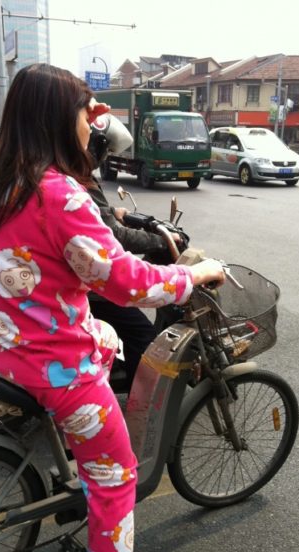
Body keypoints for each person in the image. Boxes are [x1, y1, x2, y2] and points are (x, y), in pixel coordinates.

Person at [0, 63, 225, 552]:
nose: (91, 125)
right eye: (87, 113)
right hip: (58, 372)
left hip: (4, 350)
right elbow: (125, 282)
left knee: (108, 343)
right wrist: (194, 274)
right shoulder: (57, 192)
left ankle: (74, 476)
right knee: (119, 476)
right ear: (63, 118)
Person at [87, 113, 181, 390]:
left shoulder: (68, 175)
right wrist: (162, 242)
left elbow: (98, 218)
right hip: (91, 286)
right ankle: (140, 403)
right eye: (106, 150)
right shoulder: (74, 180)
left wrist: (113, 212)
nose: (106, 157)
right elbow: (115, 237)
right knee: (143, 336)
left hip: (79, 280)